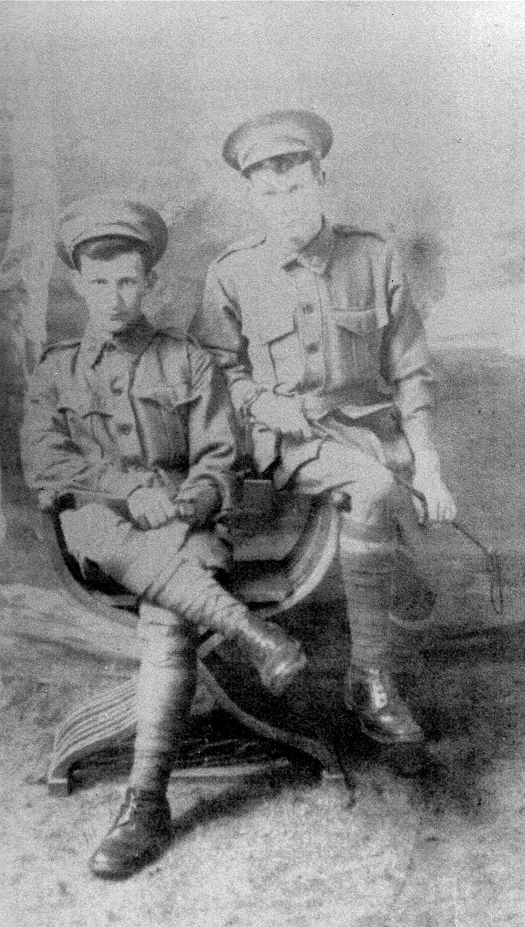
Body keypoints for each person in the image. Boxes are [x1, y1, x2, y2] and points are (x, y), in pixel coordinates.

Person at [20, 195, 306, 879]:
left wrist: (190, 499)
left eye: (127, 282)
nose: (114, 297)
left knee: (169, 611)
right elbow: (48, 464)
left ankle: (145, 803)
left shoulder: (188, 361)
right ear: (78, 286)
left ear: (150, 284)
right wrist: (129, 489)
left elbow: (219, 457)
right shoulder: (57, 369)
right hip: (101, 533)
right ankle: (250, 632)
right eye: (99, 283)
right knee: (91, 521)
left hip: (186, 525)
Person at [191, 109, 457, 748]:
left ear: (321, 176)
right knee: (370, 487)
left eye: (296, 184)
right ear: (252, 193)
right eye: (268, 190)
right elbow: (219, 371)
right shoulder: (232, 272)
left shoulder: (372, 255)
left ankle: (390, 562)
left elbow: (412, 368)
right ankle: (370, 678)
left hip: (374, 427)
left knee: (394, 477)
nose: (283, 199)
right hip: (288, 439)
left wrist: (428, 460)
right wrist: (270, 406)